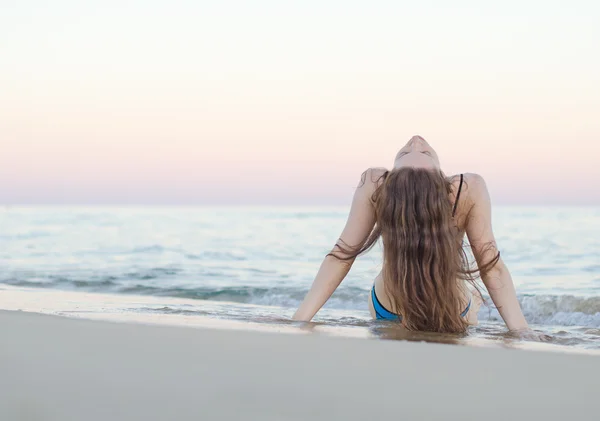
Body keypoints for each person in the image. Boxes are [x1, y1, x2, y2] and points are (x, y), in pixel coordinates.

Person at [293, 135, 548, 340]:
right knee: (470, 299)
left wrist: (299, 321)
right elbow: (491, 266)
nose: (415, 140)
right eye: (411, 152)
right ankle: (476, 300)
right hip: (456, 310)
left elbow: (341, 255)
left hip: (387, 308)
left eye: (414, 151)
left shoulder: (375, 183)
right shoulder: (467, 189)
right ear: (441, 180)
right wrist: (520, 331)